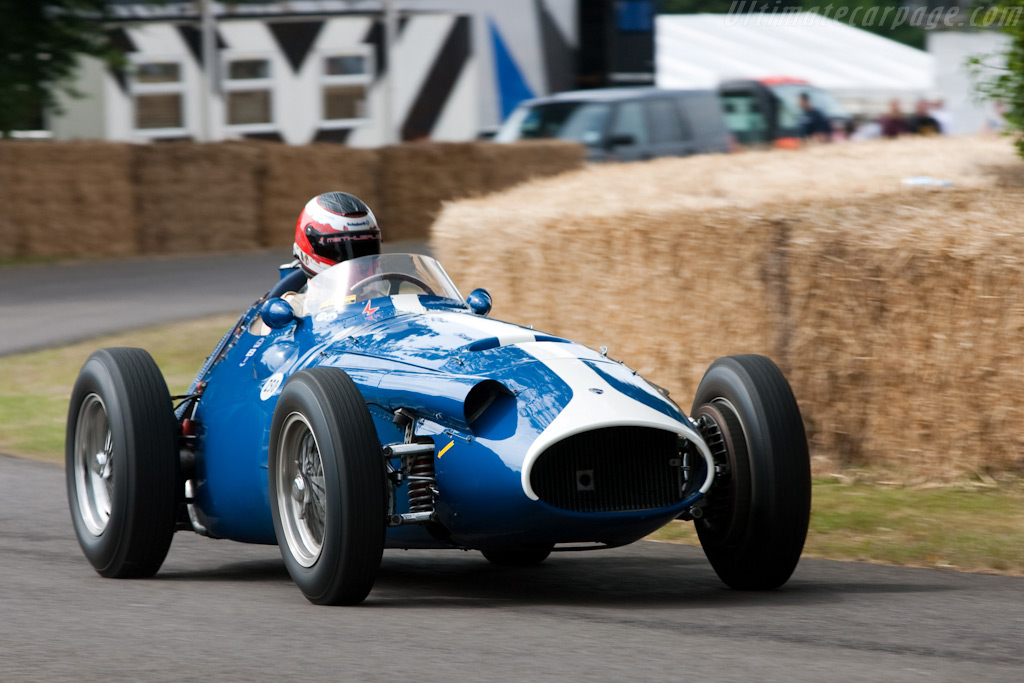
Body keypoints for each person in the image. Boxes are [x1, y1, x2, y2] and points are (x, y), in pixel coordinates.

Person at [292, 191, 381, 276]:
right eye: (343, 251)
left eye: (367, 250)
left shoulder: (380, 288)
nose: (360, 265)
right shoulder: (293, 292)